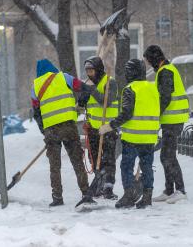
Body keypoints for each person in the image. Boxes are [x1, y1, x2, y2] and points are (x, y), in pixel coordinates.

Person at [31, 59, 95, 207]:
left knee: (54, 165)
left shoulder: (35, 86)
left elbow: (36, 112)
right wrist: (81, 103)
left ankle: (57, 197)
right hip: (68, 126)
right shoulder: (64, 77)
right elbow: (84, 88)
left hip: (51, 130)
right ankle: (86, 192)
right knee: (77, 160)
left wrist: (44, 130)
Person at [99, 59, 160, 209]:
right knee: (147, 167)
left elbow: (126, 114)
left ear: (130, 73)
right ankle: (147, 197)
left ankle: (128, 195)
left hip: (132, 137)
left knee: (126, 167)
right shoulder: (153, 88)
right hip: (149, 137)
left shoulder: (130, 89)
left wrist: (110, 126)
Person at [144, 45, 189, 204]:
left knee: (168, 156)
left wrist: (156, 115)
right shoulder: (164, 70)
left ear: (155, 58)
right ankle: (169, 190)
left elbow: (165, 97)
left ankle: (180, 190)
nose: (149, 64)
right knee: (166, 156)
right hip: (170, 120)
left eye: (149, 60)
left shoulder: (166, 71)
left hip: (173, 120)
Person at [78, 56, 119, 200]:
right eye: (87, 71)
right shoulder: (88, 83)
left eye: (91, 70)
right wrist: (82, 96)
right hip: (93, 128)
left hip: (108, 127)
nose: (89, 74)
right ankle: (98, 185)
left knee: (108, 159)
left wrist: (92, 91)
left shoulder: (109, 82)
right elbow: (83, 105)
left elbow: (106, 101)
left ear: (98, 69)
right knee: (95, 158)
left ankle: (108, 186)